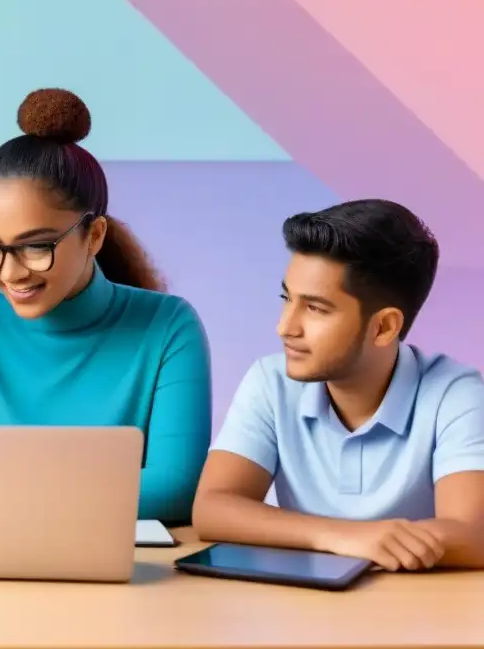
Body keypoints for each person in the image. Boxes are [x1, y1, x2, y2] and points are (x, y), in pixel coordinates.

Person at [0, 89, 213, 525]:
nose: (11, 272)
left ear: (93, 236)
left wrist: (8, 496)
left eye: (36, 246)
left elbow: (175, 489)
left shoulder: (170, 327)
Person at [193, 200, 484, 570]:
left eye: (314, 308)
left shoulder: (454, 392)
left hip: (416, 615)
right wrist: (340, 536)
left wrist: (350, 539)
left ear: (384, 327)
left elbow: (473, 535)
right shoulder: (271, 380)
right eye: (287, 299)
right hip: (305, 606)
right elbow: (213, 507)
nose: (285, 327)